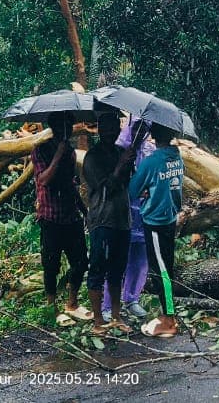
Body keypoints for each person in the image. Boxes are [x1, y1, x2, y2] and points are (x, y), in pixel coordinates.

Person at [32, 113, 92, 326]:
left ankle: (72, 303)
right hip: (50, 217)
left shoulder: (71, 152)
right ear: (53, 126)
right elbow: (43, 180)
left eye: (69, 124)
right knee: (51, 264)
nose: (66, 128)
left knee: (82, 262)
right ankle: (52, 307)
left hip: (70, 215)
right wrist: (57, 156)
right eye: (61, 124)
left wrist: (85, 212)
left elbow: (70, 183)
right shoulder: (41, 149)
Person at [130, 123, 185, 338]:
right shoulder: (176, 157)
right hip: (170, 217)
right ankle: (167, 314)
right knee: (166, 267)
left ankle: (170, 320)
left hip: (155, 221)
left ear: (152, 135)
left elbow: (133, 189)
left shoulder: (152, 161)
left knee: (161, 271)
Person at [82, 113, 134, 334]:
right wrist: (121, 165)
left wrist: (128, 163)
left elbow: (127, 182)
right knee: (97, 269)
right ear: (99, 129)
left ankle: (116, 316)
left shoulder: (120, 152)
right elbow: (107, 187)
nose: (111, 131)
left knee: (117, 270)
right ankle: (97, 321)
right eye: (107, 127)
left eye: (115, 127)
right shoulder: (92, 158)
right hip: (102, 220)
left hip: (122, 220)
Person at [102, 117, 154, 321]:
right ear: (130, 127)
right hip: (121, 213)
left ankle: (132, 298)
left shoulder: (150, 153)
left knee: (140, 259)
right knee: (116, 260)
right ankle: (107, 305)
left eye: (145, 127)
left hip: (143, 213)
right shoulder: (117, 150)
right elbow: (109, 183)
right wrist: (124, 162)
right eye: (137, 127)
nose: (140, 131)